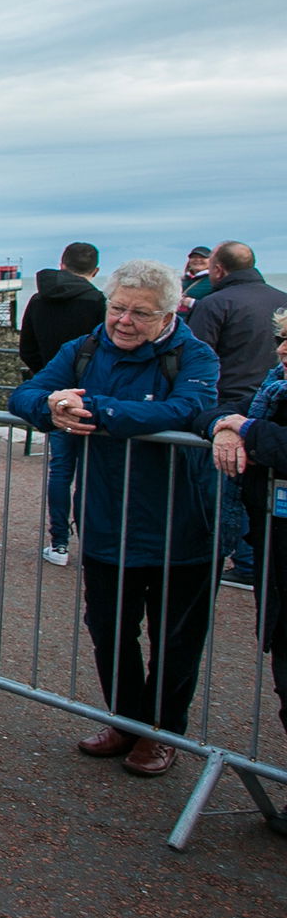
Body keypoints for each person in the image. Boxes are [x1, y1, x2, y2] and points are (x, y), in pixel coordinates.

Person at [10, 260, 220, 776]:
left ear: (169, 314)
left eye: (139, 314)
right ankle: (126, 721)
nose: (124, 321)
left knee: (175, 639)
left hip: (181, 523)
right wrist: (53, 406)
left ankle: (162, 732)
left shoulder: (194, 355)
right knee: (109, 629)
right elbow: (26, 393)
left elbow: (186, 410)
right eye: (118, 308)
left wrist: (96, 410)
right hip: (107, 517)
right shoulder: (83, 349)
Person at [207, 307, 287, 767]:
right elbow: (224, 405)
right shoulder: (272, 386)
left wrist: (250, 430)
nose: (281, 348)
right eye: (282, 337)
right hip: (273, 537)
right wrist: (226, 426)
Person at [187, 242, 287, 585]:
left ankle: (235, 557)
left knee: (229, 486)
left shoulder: (214, 303)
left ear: (217, 270)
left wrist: (232, 424)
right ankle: (251, 563)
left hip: (235, 405)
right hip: (263, 406)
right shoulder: (281, 297)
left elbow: (196, 359)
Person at [19, 242, 105, 567]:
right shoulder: (97, 300)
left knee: (61, 470)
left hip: (54, 395)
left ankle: (58, 544)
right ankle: (91, 544)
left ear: (62, 264)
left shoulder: (38, 299)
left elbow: (26, 346)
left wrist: (47, 377)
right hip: (91, 396)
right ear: (94, 271)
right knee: (91, 474)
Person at [178, 246, 213, 318]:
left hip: (198, 321)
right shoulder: (181, 280)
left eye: (203, 257)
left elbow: (216, 306)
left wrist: (192, 303)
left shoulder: (213, 281)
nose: (197, 260)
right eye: (193, 257)